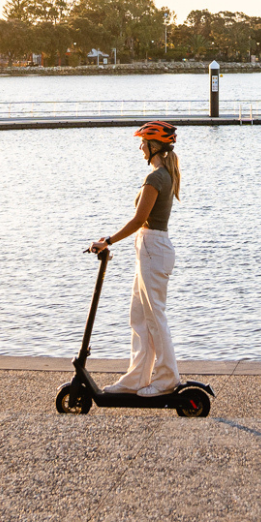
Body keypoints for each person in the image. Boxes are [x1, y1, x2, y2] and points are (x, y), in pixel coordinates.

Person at [89, 120, 182, 397]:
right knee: (140, 317)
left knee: (154, 317)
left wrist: (108, 241)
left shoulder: (156, 178)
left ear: (154, 146)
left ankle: (167, 379)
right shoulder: (162, 173)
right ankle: (137, 378)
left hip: (153, 248)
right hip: (150, 248)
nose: (140, 146)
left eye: (143, 142)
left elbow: (139, 219)